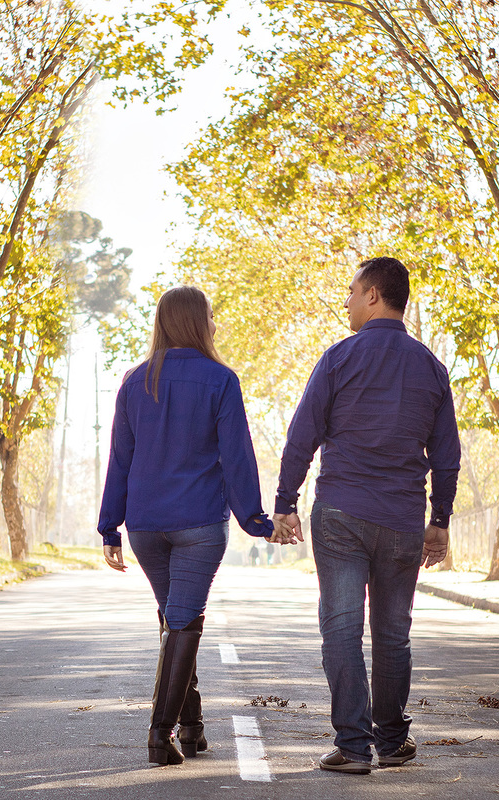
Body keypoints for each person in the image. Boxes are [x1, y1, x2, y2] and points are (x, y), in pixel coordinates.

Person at [274, 256, 460, 775]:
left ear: (374, 295)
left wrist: (285, 503)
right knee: (393, 632)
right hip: (402, 519)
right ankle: (393, 741)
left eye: (353, 292)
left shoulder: (338, 359)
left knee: (341, 626)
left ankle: (353, 747)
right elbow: (446, 456)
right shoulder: (431, 368)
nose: (348, 301)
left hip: (341, 514)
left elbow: (302, 436)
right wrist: (439, 520)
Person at [98, 285, 291, 766]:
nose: (215, 323)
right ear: (198, 322)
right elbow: (237, 457)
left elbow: (120, 459)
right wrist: (255, 519)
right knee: (181, 622)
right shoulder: (220, 379)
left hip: (145, 525)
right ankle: (158, 734)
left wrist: (110, 526)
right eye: (211, 315)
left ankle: (192, 727)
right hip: (200, 524)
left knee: (175, 619)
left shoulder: (135, 381)